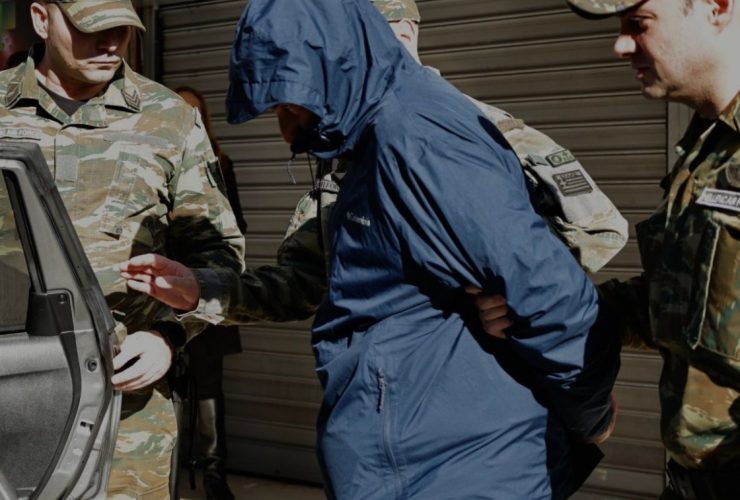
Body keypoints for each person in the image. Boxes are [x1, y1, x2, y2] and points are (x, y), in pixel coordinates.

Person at [128, 0, 622, 498]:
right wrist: (204, 290)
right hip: (403, 450)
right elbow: (310, 281)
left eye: (291, 101)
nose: (286, 127)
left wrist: (511, 312)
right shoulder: (355, 139)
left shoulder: (429, 133)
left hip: (455, 451)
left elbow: (568, 259)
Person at [479, 1, 740, 498]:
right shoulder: (707, 147)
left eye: (639, 24)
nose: (620, 45)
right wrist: (544, 307)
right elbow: (681, 302)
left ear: (717, 7)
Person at [0, 1, 245, 498]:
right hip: (12, 394)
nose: (110, 44)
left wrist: (169, 335)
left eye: (122, 30)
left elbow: (219, 257)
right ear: (42, 19)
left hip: (126, 415)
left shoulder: (169, 119)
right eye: (91, 29)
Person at [175, 85, 247, 500]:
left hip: (208, 287)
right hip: (163, 287)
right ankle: (165, 473)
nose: (190, 119)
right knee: (164, 381)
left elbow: (237, 228)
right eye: (182, 111)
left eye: (196, 112)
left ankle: (215, 476)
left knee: (209, 383)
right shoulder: (155, 153)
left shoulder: (221, 164)